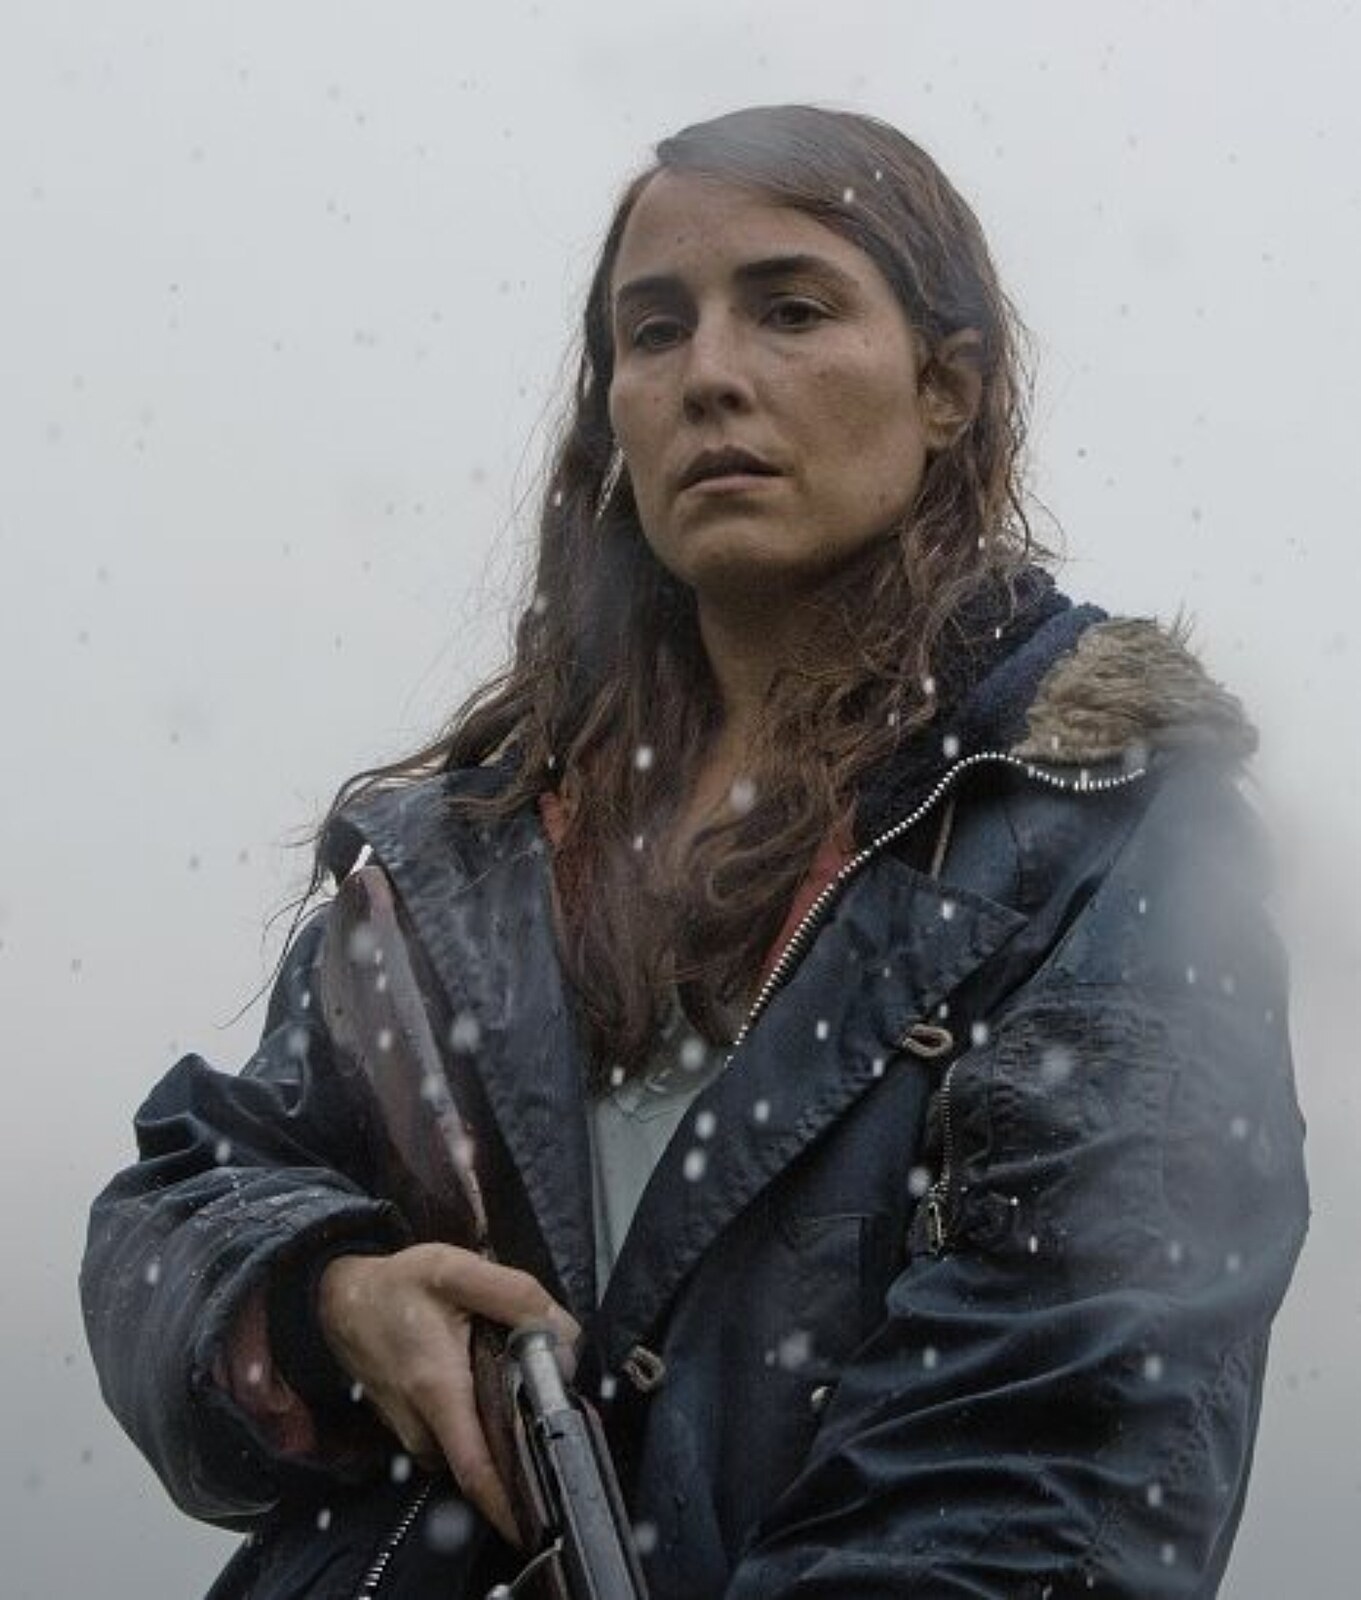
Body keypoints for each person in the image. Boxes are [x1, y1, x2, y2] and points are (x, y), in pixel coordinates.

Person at [82, 104, 1308, 1598]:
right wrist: (327, 1296)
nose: (710, 374)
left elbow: (1050, 1452)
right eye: (653, 331)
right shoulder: (466, 856)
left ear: (947, 387)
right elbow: (183, 1200)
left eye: (791, 310)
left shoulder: (1099, 829)